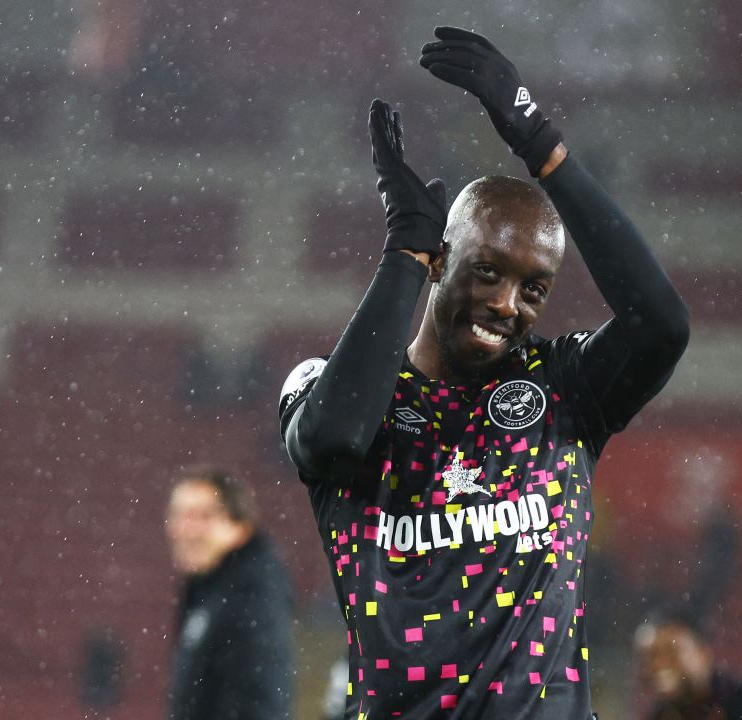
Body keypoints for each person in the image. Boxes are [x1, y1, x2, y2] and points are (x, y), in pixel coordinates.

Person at [278, 26, 689, 719]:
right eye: (487, 271)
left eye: (533, 288)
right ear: (442, 263)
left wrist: (542, 144)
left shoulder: (562, 391)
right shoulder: (331, 386)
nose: (506, 304)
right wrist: (404, 255)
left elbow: (662, 325)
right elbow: (335, 441)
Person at [165, 468, 295, 720]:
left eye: (200, 516)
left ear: (239, 526)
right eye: (177, 515)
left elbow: (260, 700)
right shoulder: (207, 588)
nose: (184, 529)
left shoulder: (253, 594)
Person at [634, 609, 742, 720]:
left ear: (703, 654)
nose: (660, 664)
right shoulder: (660, 716)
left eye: (672, 652)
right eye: (651, 656)